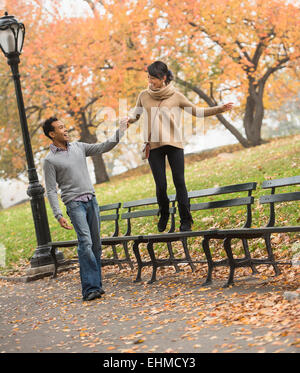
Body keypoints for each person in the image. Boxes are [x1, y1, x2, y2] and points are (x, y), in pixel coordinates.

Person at [128, 61, 233, 232]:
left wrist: (219, 109)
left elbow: (197, 111)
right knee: (160, 185)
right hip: (153, 146)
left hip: (174, 144)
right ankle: (164, 212)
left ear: (163, 78)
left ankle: (186, 220)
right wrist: (128, 120)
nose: (149, 81)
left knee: (179, 182)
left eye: (153, 78)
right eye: (148, 77)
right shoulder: (143, 95)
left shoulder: (176, 96)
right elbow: (136, 114)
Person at [42, 116, 128, 301]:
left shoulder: (79, 147)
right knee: (86, 243)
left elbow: (103, 147)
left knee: (96, 245)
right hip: (74, 204)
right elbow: (50, 190)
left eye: (65, 127)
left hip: (91, 201)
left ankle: (96, 285)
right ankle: (89, 289)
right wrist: (58, 214)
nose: (65, 130)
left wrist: (120, 130)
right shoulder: (50, 160)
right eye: (60, 128)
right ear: (51, 133)